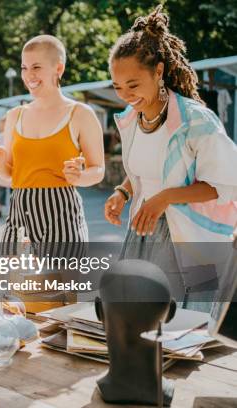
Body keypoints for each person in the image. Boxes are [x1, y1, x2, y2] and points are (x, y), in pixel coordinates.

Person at [104, 6, 237, 310]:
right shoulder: (130, 120)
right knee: (136, 320)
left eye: (133, 85)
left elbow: (226, 185)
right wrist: (123, 191)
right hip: (142, 231)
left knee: (178, 328)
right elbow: (143, 169)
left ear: (159, 71)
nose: (125, 95)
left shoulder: (196, 121)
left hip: (186, 238)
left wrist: (165, 197)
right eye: (118, 87)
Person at [0, 35, 105, 244]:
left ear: (58, 68)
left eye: (36, 67)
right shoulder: (15, 115)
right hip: (18, 217)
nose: (29, 75)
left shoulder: (80, 113)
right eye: (24, 68)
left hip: (64, 219)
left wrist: (80, 177)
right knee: (14, 277)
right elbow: (11, 175)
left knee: (60, 278)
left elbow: (98, 170)